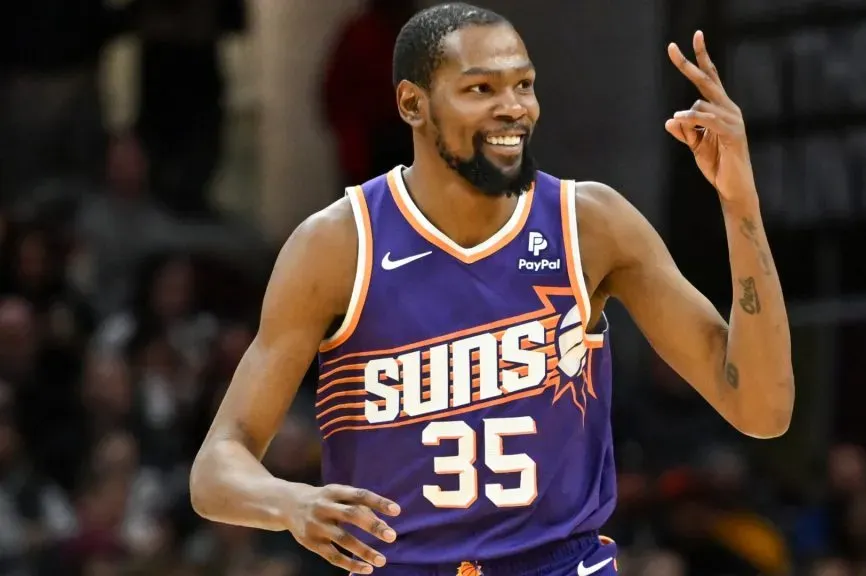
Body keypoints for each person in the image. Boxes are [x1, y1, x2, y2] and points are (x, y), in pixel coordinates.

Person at [189, 3, 794, 575]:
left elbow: (761, 409)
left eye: (523, 85)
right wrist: (289, 503)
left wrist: (740, 201)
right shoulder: (339, 245)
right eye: (481, 89)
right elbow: (216, 469)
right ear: (412, 104)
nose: (514, 107)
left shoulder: (590, 225)